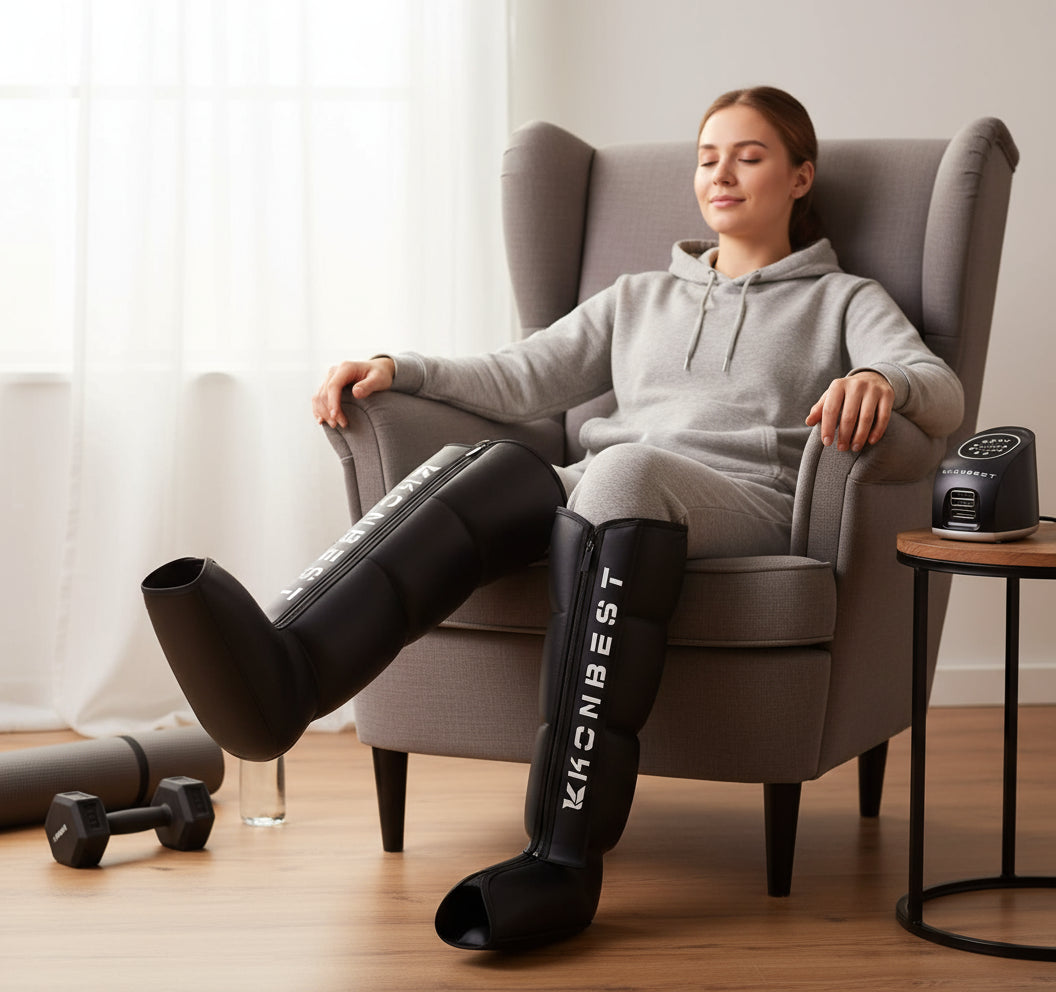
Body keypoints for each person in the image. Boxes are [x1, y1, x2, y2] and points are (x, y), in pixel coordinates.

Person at [143, 87, 964, 952]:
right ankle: (288, 673)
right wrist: (398, 366)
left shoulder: (842, 299)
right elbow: (521, 376)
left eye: (748, 155)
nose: (720, 173)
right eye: (707, 155)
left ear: (800, 175)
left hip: (747, 497)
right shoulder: (639, 295)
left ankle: (562, 853)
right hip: (616, 490)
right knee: (492, 469)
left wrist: (884, 381)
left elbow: (939, 389)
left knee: (621, 471)